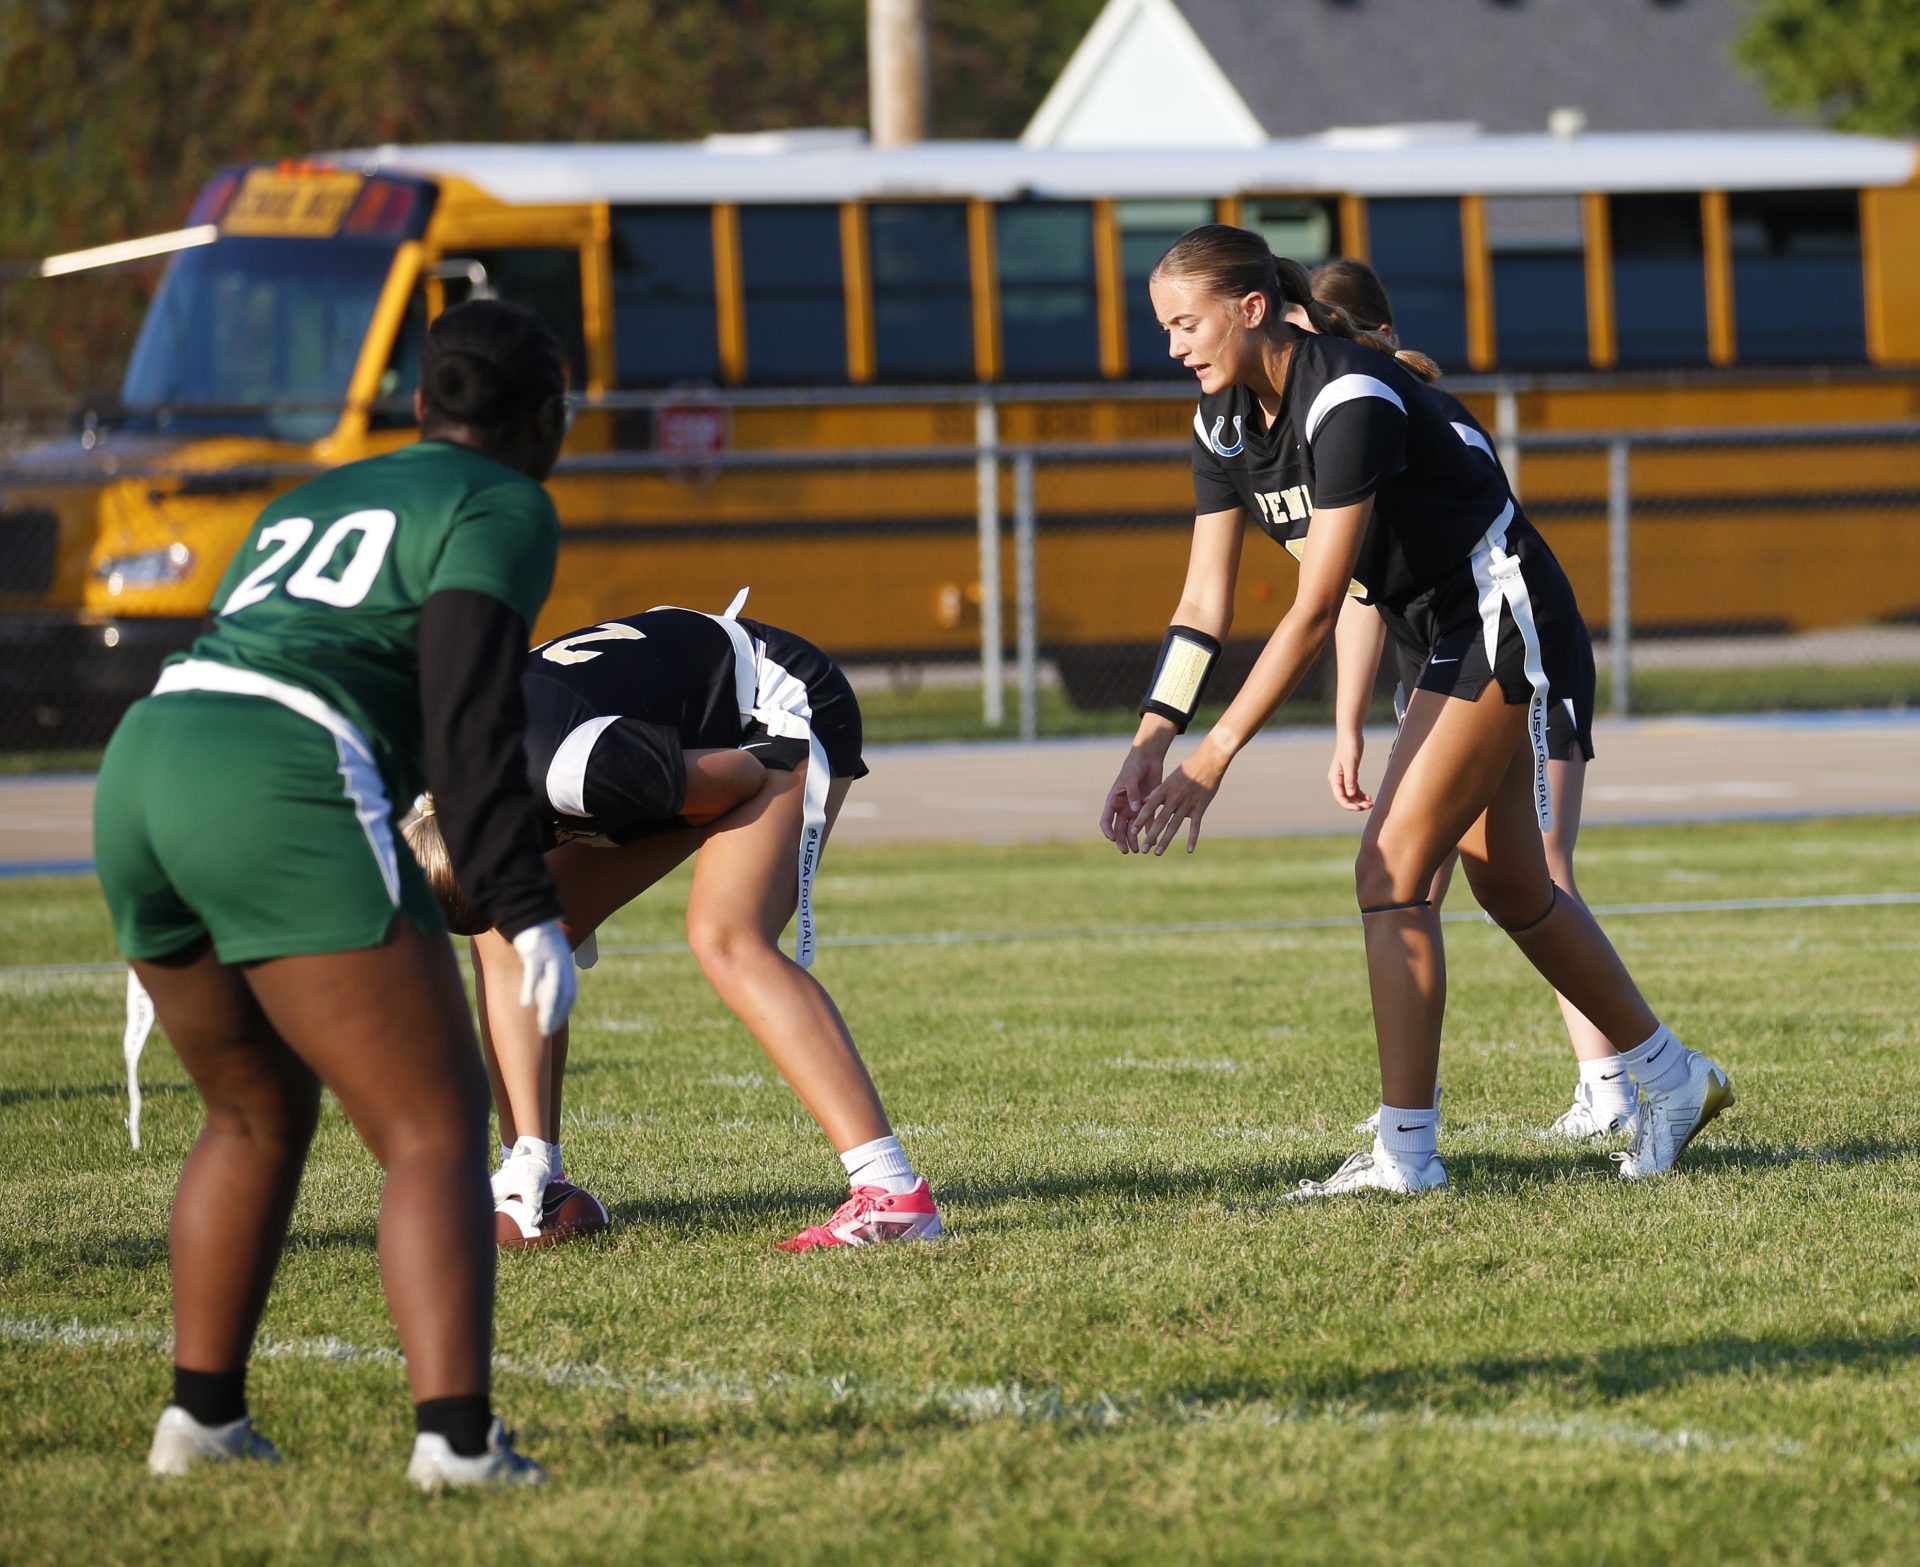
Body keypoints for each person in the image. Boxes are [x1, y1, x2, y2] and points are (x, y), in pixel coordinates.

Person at [1099, 225, 1732, 1198]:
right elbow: (1202, 603)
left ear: (1253, 308)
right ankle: (1674, 1077)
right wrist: (1153, 739)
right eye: (1166, 327)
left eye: (1187, 323)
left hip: (1496, 608)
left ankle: (1407, 1155)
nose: (1174, 345)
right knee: (1512, 886)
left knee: (1390, 874)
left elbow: (1316, 604)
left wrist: (1213, 756)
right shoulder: (1221, 422)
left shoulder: (1346, 394)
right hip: (1433, 627)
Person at [93, 299, 579, 1487]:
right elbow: (468, 709)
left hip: (148, 757)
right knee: (433, 1124)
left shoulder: (312, 496)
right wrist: (524, 902)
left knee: (253, 1110)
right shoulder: (502, 500)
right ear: (546, 417)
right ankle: (457, 1440)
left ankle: (202, 1421)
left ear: (418, 404)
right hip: (282, 767)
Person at [401, 601, 944, 1252]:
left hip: (772, 709)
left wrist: (612, 820)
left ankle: (891, 1194)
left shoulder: (576, 771)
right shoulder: (442, 778)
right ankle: (532, 1172)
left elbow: (739, 777)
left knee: (726, 935)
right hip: (640, 734)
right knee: (510, 935)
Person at [1311, 258, 1634, 1145]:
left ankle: (1614, 1082)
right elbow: (1358, 592)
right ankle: (1408, 1107)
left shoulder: (1404, 412)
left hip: (1518, 650)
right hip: (1438, 670)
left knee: (1540, 869)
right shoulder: (1335, 426)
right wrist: (1346, 725)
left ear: (1373, 337)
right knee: (1409, 879)